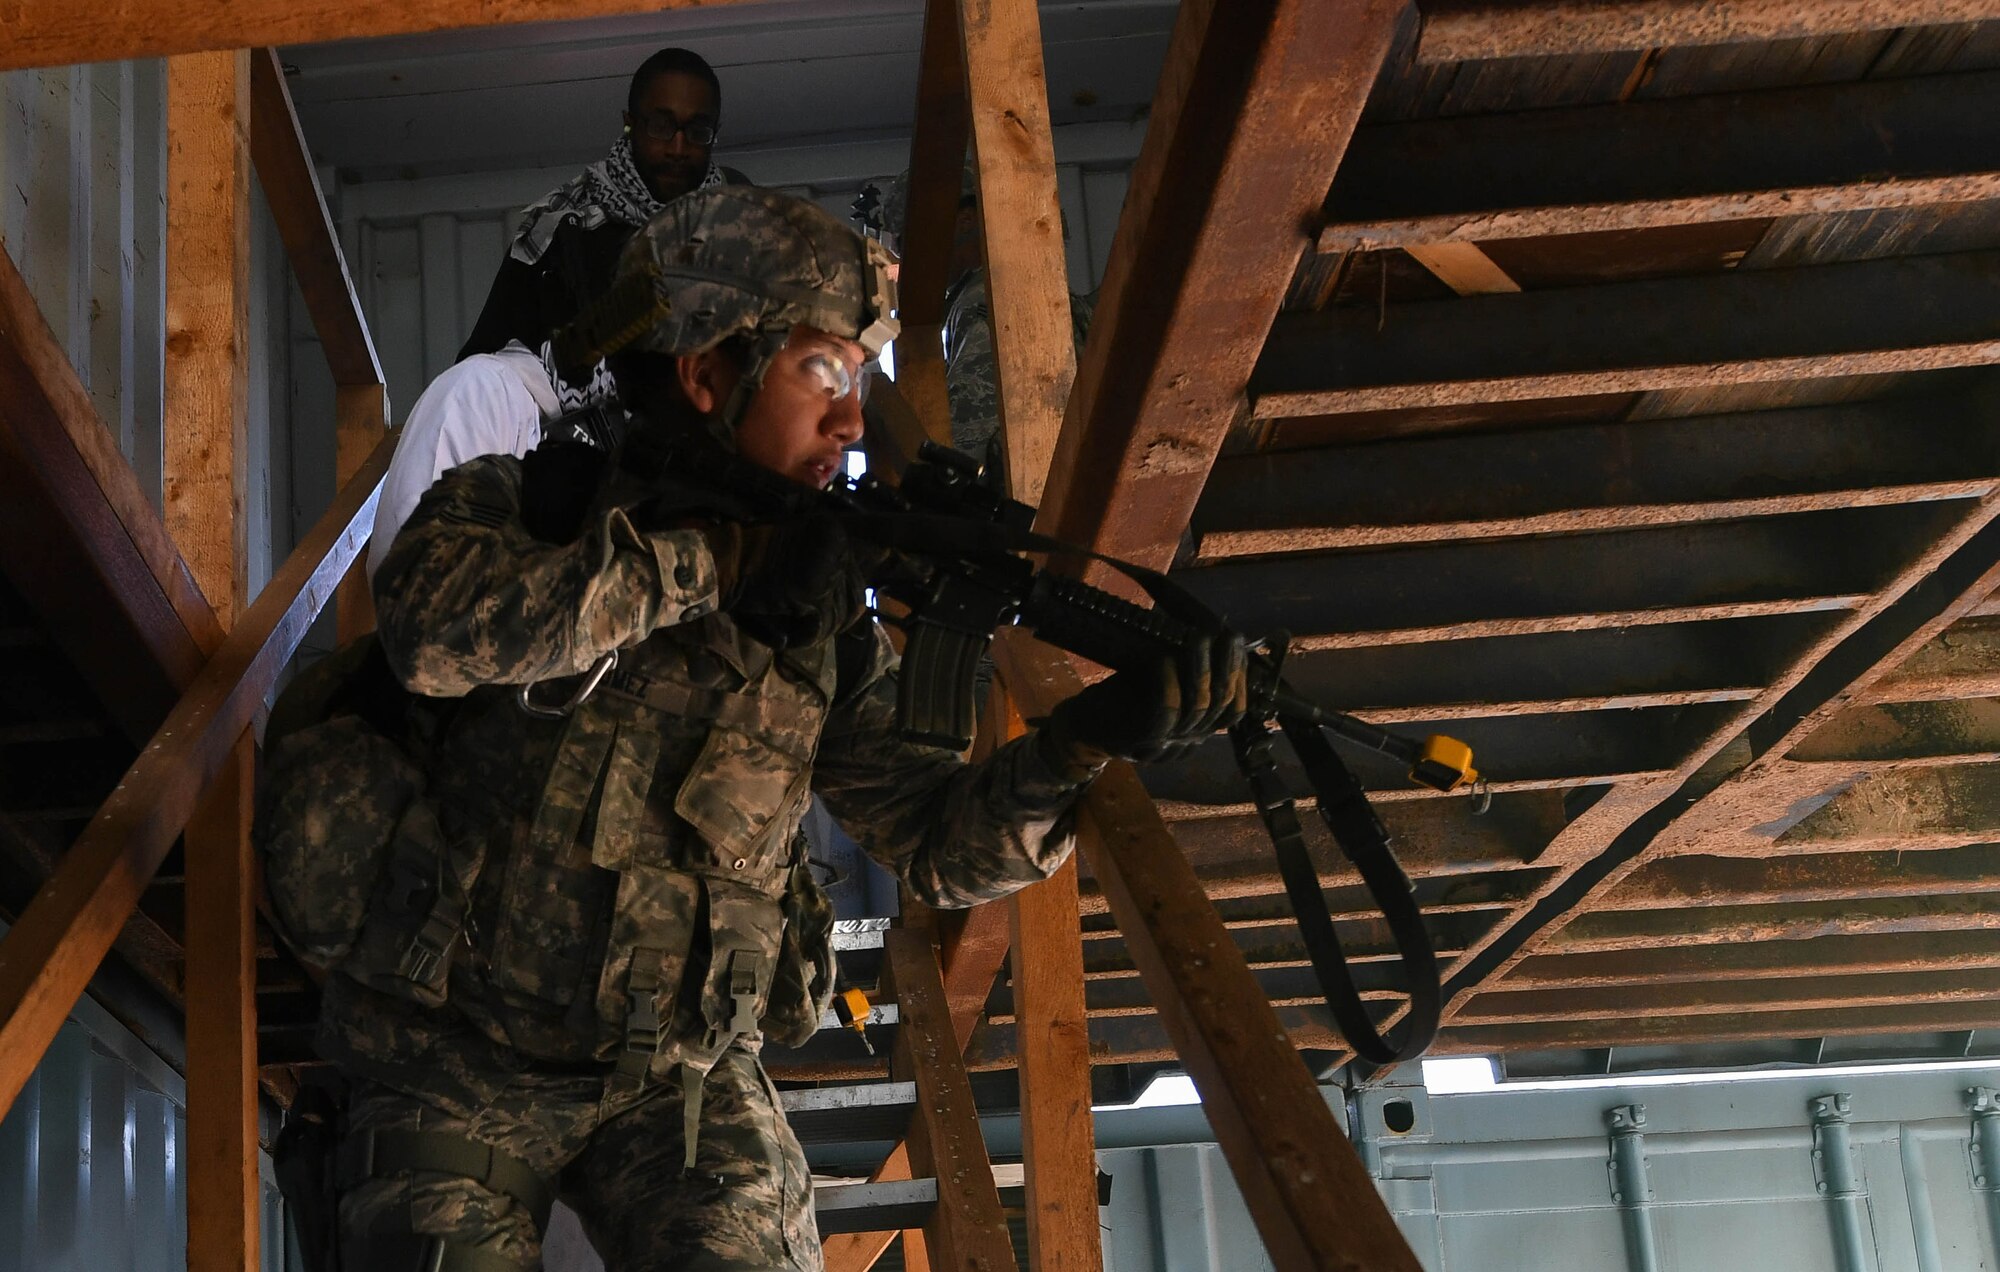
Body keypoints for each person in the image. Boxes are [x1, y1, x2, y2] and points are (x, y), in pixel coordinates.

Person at [309, 185, 1245, 1271]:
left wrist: (1083, 741)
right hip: (449, 1054)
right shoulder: (528, 505)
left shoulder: (816, 622)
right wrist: (718, 565)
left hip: (677, 1077)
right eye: (820, 372)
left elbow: (936, 843)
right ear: (706, 373)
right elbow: (432, 637)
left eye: (855, 379)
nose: (852, 420)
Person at [457, 46, 746, 364]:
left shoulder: (745, 219)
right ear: (630, 123)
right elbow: (484, 371)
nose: (678, 148)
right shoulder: (561, 236)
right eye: (661, 126)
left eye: (697, 131)